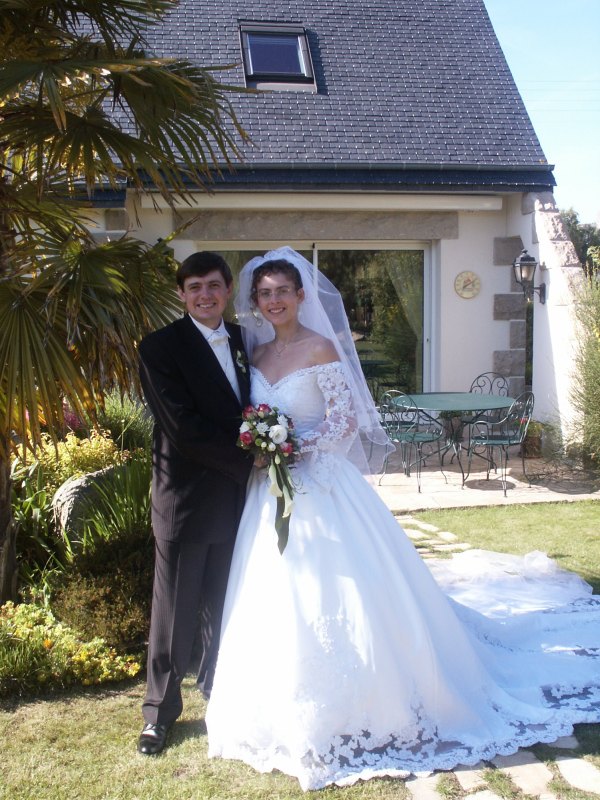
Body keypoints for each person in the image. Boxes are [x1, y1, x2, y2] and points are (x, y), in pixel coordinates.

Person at [205, 247, 600, 791]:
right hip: (268, 492)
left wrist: (292, 447)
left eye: (283, 292)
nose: (274, 301)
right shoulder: (254, 351)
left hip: (321, 484)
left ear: (300, 296)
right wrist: (265, 447)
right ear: (256, 301)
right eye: (265, 293)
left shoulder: (322, 347)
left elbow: (344, 422)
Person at [137, 251, 255, 756]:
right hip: (186, 499)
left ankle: (218, 692)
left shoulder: (246, 341)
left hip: (240, 501)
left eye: (213, 285)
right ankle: (158, 715)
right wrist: (252, 460)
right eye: (194, 287)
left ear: (227, 289)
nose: (204, 295)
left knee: (225, 605)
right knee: (174, 615)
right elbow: (182, 427)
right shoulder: (160, 347)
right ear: (181, 294)